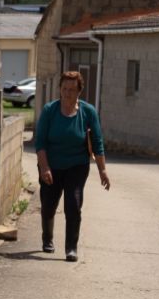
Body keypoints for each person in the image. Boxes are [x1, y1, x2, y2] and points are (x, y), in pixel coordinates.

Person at [34, 71, 110, 261]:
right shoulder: (49, 110)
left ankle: (71, 248)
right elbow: (40, 142)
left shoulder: (88, 112)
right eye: (64, 89)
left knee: (73, 204)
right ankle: (47, 238)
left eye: (72, 90)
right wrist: (44, 168)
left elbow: (97, 142)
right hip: (51, 164)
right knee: (48, 205)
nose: (67, 93)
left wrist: (103, 170)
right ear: (60, 89)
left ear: (79, 92)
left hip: (77, 165)